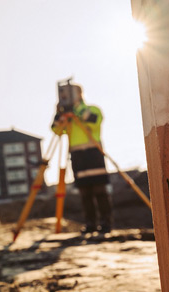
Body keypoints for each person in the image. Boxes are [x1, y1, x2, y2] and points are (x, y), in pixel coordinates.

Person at [52, 83, 112, 234]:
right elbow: (56, 130)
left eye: (70, 93)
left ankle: (106, 223)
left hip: (93, 154)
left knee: (99, 190)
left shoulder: (92, 109)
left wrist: (76, 109)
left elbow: (94, 121)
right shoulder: (67, 117)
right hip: (78, 157)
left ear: (79, 94)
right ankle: (90, 224)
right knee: (85, 193)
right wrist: (59, 114)